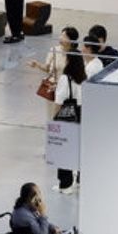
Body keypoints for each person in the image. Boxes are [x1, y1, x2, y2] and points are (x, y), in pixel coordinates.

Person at [50, 32, 86, 194]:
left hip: (66, 115)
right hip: (80, 114)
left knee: (63, 150)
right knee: (78, 148)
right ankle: (79, 180)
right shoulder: (83, 78)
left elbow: (59, 101)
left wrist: (54, 120)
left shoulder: (66, 78)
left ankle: (65, 185)